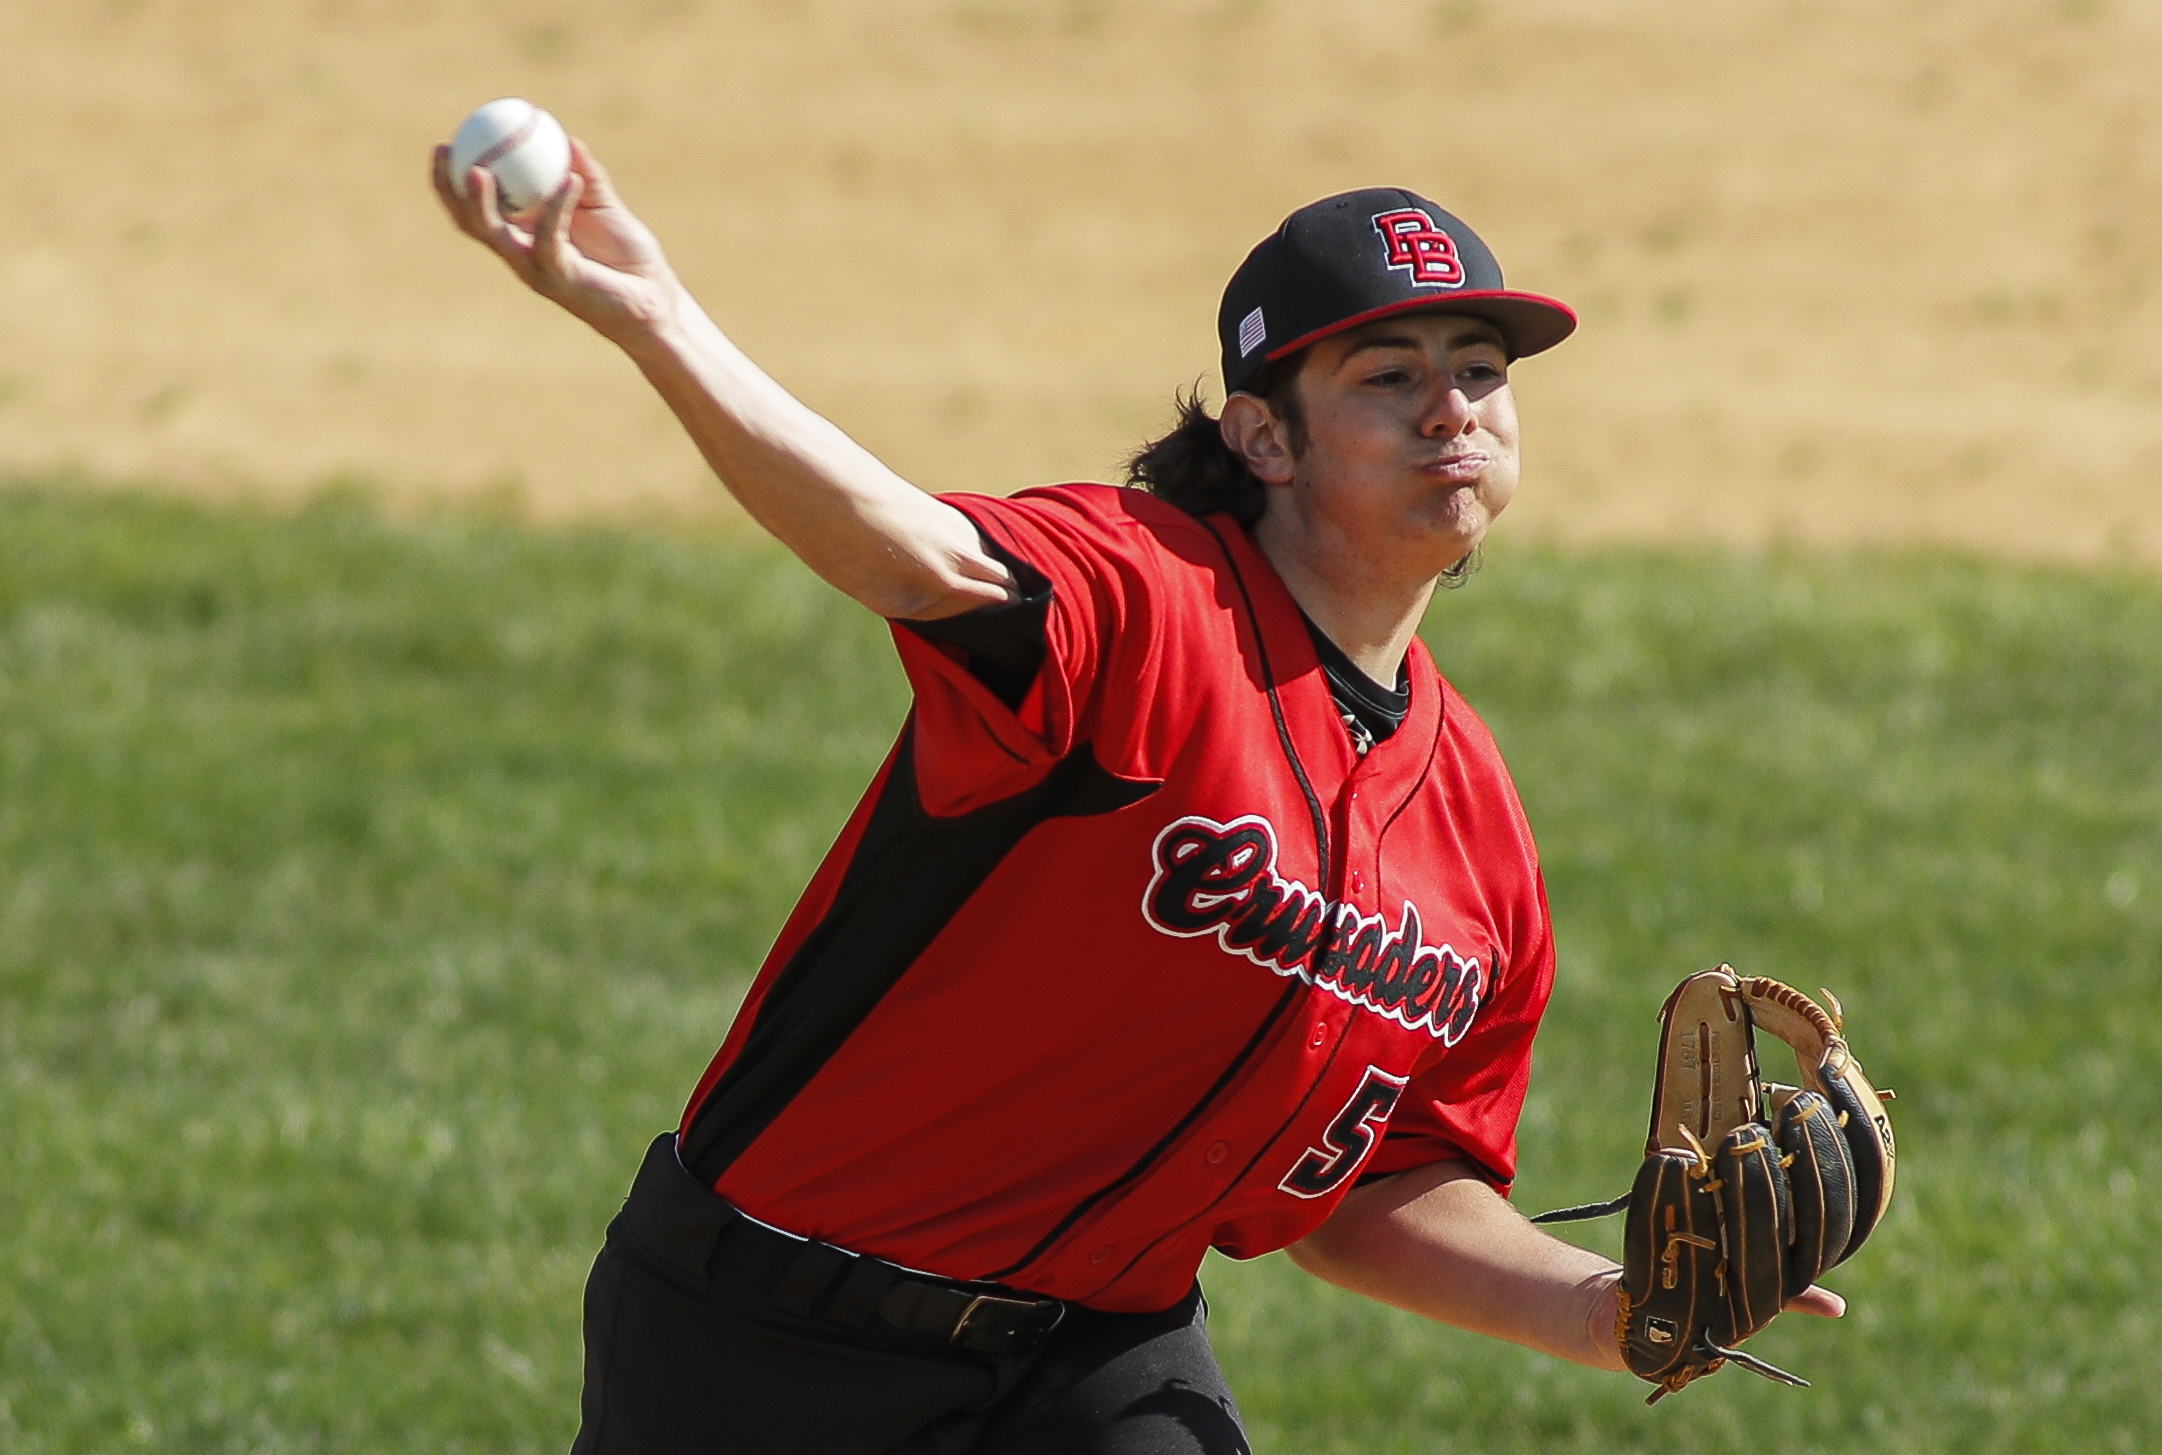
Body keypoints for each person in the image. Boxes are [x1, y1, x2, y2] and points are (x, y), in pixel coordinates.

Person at [433, 142, 1843, 1454]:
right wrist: (658, 321)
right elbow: (914, 557)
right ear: (1263, 438)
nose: (1448, 410)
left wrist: (1599, 1310)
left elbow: (1371, 1188)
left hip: (1096, 1362)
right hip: (768, 1332)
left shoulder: (1476, 835)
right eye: (1384, 373)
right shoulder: (1135, 598)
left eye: (1479, 370)